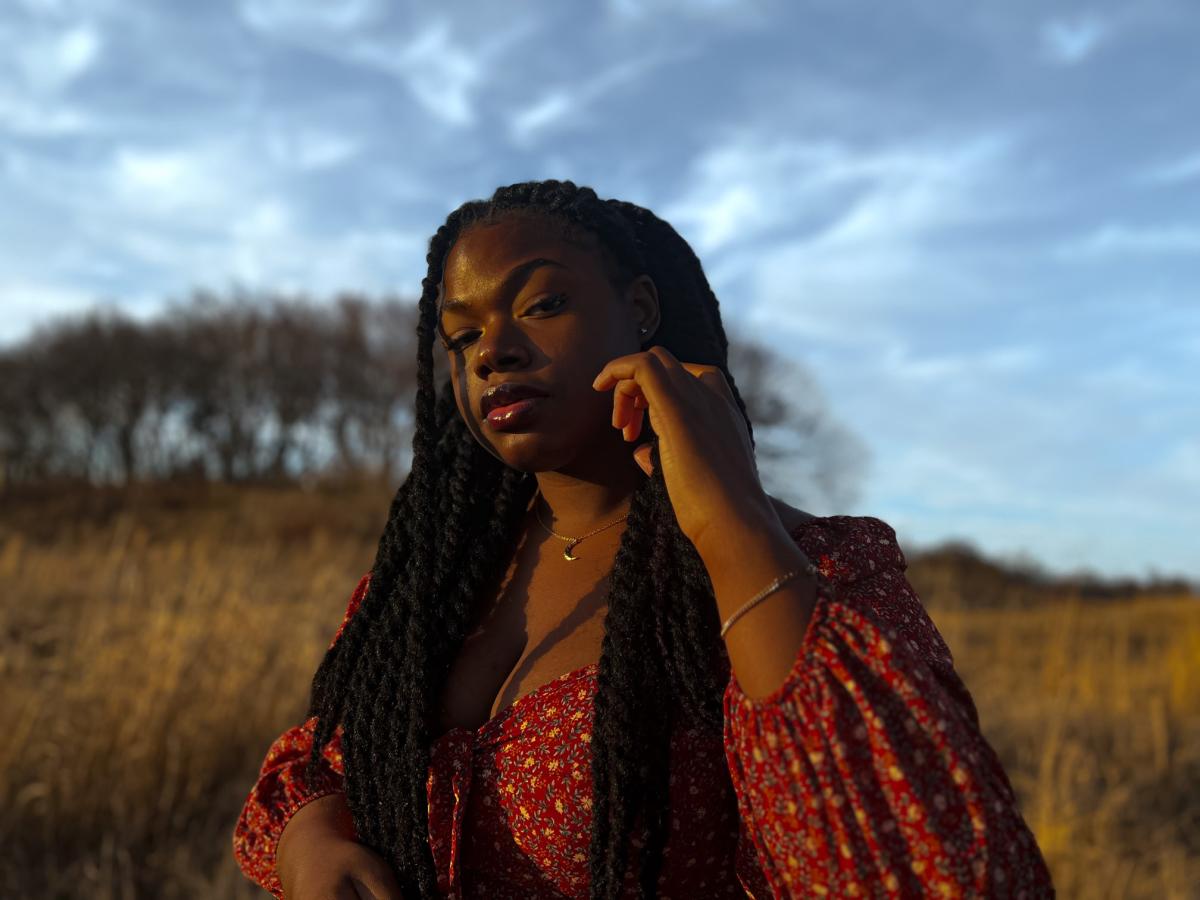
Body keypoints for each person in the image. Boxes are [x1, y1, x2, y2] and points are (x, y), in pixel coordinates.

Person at [232, 179, 1054, 899]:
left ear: (641, 310)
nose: (493, 353)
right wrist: (312, 842)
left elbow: (932, 868)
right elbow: (321, 759)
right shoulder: (428, 583)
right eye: (463, 336)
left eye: (541, 304)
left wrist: (728, 524)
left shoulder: (821, 567)